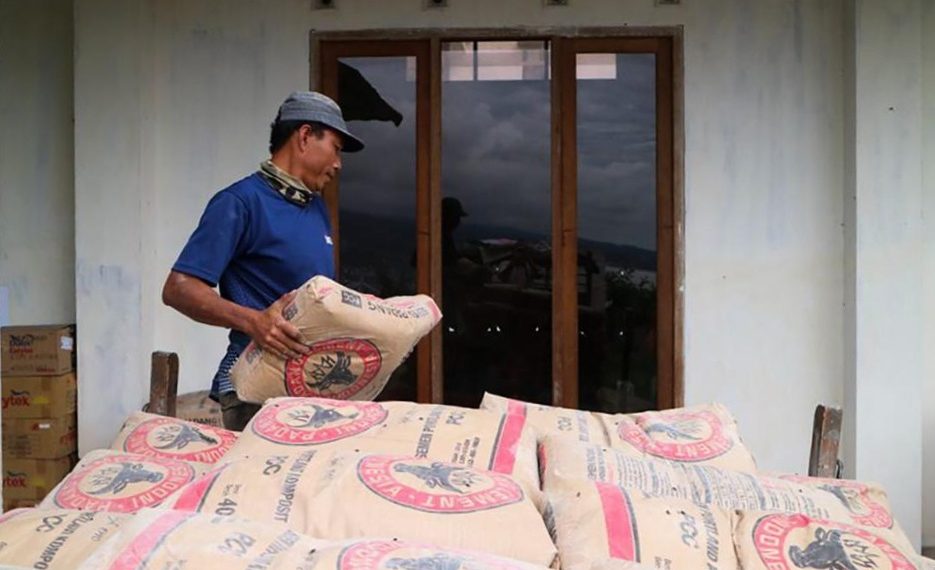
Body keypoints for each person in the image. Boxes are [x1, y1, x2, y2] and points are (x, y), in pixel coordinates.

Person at [162, 91, 364, 431]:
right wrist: (254, 321)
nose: (338, 164)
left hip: (310, 389)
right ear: (304, 137)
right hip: (254, 391)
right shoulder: (240, 203)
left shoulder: (314, 207)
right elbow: (179, 288)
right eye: (336, 148)